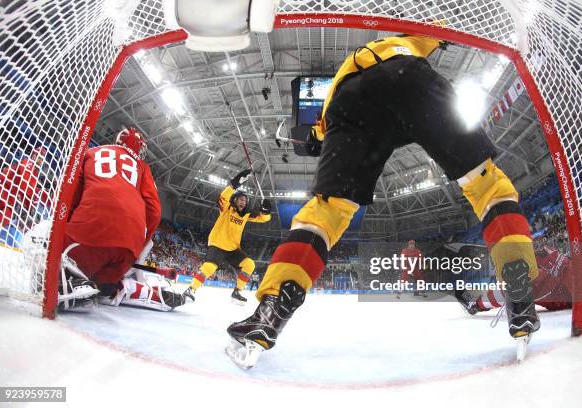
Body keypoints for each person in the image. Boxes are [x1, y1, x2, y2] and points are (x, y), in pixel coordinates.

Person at [227, 32, 539, 367]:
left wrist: (313, 139)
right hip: (409, 77)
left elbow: (315, 138)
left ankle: (272, 311)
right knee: (486, 184)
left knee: (327, 210)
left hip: (350, 105)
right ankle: (519, 293)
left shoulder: (334, 89)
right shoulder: (405, 38)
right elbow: (440, 30)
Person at [59, 128, 181, 311]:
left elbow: (71, 195)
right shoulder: (142, 166)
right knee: (105, 287)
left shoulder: (90, 153)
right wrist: (139, 244)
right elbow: (154, 210)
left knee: (49, 257)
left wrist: (67, 230)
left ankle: (75, 283)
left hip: (90, 234)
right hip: (127, 250)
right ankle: (123, 288)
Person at [183, 169, 271, 305]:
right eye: (240, 199)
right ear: (235, 200)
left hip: (233, 249)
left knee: (249, 264)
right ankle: (190, 290)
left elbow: (263, 219)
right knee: (209, 267)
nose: (243, 202)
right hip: (217, 244)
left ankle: (237, 292)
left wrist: (266, 211)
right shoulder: (227, 208)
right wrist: (236, 183)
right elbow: (223, 196)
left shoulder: (246, 215)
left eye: (245, 200)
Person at [455, 242, 572, 314]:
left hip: (567, 286)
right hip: (567, 280)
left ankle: (475, 305)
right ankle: (476, 305)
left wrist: (477, 305)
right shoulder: (542, 258)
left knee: (516, 286)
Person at [0, 147, 47, 232]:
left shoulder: (34, 172)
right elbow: (25, 185)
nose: (40, 161)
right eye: (39, 157)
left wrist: (30, 205)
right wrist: (30, 203)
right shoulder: (28, 163)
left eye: (42, 159)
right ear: (34, 155)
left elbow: (27, 188)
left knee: (5, 217)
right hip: (1, 189)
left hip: (8, 195)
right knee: (5, 215)